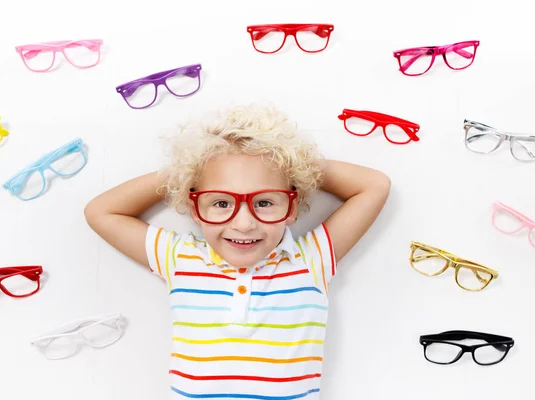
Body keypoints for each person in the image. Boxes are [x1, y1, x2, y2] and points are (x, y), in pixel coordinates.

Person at [84, 103, 391, 399]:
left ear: (291, 206)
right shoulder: (180, 258)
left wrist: (293, 164)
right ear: (195, 207)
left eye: (264, 202)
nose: (244, 224)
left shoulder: (312, 258)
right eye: (221, 203)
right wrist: (188, 171)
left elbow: (374, 185)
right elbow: (101, 212)